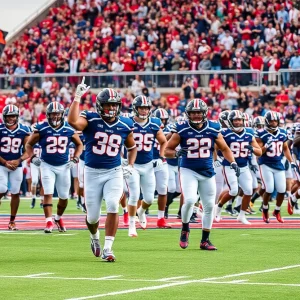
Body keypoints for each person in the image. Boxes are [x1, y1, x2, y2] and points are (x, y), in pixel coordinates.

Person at [68, 79, 137, 262]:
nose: (111, 109)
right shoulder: (90, 119)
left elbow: (132, 147)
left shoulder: (125, 124)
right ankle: (94, 237)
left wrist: (130, 165)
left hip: (113, 171)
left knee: (113, 204)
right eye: (107, 105)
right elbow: (73, 122)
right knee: (92, 217)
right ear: (100, 105)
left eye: (114, 105)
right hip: (91, 172)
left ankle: (108, 248)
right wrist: (77, 97)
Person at [165, 99, 239, 250]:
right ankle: (185, 228)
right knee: (190, 199)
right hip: (188, 169)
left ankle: (205, 240)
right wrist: (177, 153)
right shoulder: (182, 129)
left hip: (207, 171)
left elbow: (224, 148)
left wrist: (233, 162)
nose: (197, 115)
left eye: (199, 112)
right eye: (193, 113)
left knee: (209, 206)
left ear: (204, 113)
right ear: (188, 114)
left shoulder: (213, 128)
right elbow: (167, 150)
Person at [25, 102, 83, 233]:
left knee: (64, 197)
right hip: (47, 165)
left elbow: (80, 145)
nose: (55, 116)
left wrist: (75, 158)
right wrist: (33, 158)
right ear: (48, 115)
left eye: (58, 114)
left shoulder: (68, 129)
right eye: (53, 114)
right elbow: (28, 145)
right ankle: (49, 222)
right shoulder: (42, 128)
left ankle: (58, 218)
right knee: (48, 192)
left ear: (62, 115)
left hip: (64, 166)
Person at [125, 96, 167, 237]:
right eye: (141, 108)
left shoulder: (154, 123)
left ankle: (141, 212)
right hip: (133, 164)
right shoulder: (128, 122)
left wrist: (161, 157)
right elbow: (118, 139)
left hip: (148, 165)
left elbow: (163, 141)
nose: (144, 111)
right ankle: (131, 225)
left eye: (146, 108)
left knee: (149, 199)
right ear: (135, 109)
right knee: (134, 194)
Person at [215, 110, 262, 224]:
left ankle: (241, 216)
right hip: (229, 166)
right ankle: (218, 208)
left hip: (244, 166)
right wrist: (216, 159)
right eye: (235, 120)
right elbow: (214, 147)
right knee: (234, 190)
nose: (238, 122)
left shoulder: (249, 132)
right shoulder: (225, 133)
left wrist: (252, 149)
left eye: (239, 120)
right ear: (230, 121)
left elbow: (259, 152)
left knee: (248, 191)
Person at [255, 112, 296, 223]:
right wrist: (266, 146)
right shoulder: (260, 133)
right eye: (272, 121)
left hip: (278, 164)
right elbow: (258, 152)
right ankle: (265, 209)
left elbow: (285, 148)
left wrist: (291, 161)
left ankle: (277, 211)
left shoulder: (282, 132)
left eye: (275, 121)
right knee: (268, 188)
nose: (274, 123)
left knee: (282, 190)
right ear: (267, 121)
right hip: (265, 164)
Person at [0, 105, 31, 230]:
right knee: (1, 188)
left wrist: (18, 161)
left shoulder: (24, 130)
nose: (11, 118)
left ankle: (12, 221)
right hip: (1, 164)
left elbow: (29, 150)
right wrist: (5, 162)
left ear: (17, 116)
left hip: (16, 165)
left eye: (13, 116)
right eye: (8, 116)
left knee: (15, 192)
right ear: (4, 116)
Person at [152, 108, 171, 228]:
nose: (163, 121)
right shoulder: (149, 126)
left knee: (163, 189)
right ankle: (138, 212)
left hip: (162, 162)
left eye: (164, 119)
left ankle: (161, 218)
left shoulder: (170, 130)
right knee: (143, 193)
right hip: (147, 162)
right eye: (160, 119)